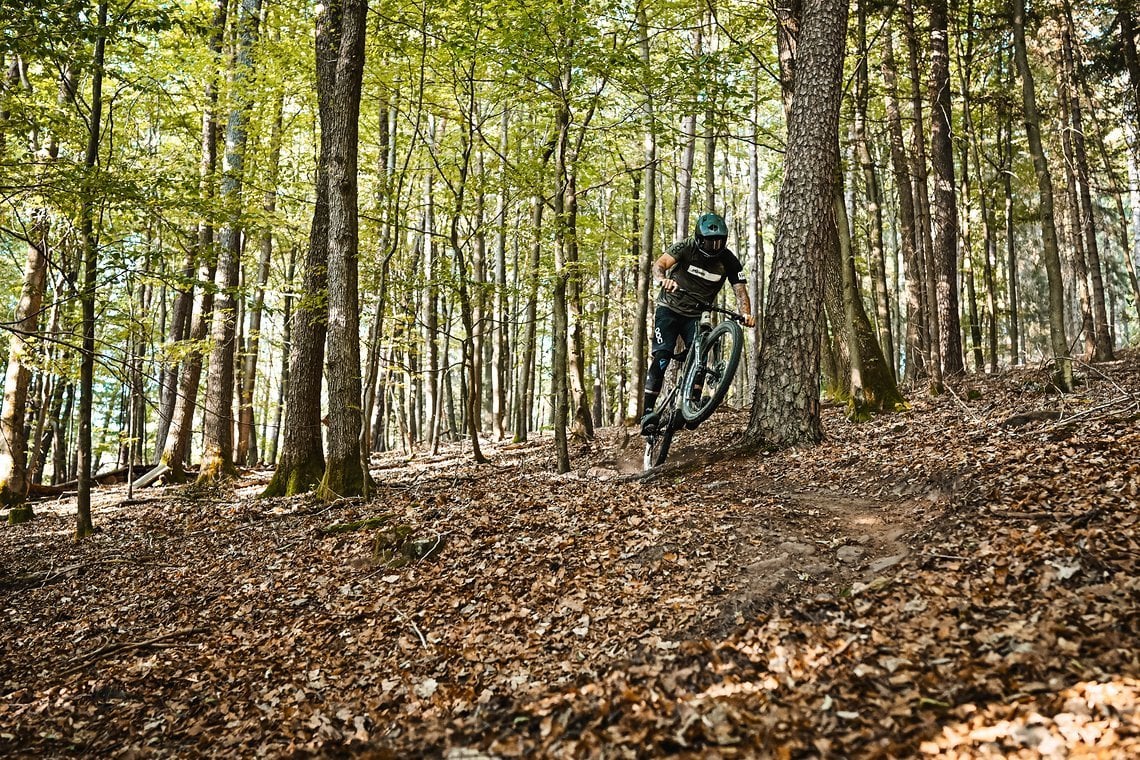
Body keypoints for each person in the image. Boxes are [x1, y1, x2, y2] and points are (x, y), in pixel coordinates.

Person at [640, 212, 755, 434]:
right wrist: (663, 279)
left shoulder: (729, 260)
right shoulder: (686, 247)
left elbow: (740, 291)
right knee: (663, 356)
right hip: (669, 309)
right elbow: (660, 264)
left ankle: (691, 406)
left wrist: (746, 314)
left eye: (719, 241)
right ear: (699, 238)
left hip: (696, 313)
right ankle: (647, 413)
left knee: (701, 356)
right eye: (710, 241)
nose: (714, 246)